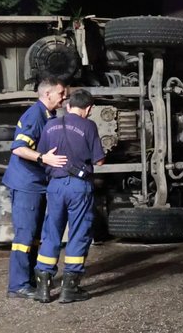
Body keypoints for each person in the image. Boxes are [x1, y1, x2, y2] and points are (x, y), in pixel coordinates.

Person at [32, 89, 106, 303]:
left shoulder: (50, 125)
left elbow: (43, 156)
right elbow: (99, 161)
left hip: (55, 186)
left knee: (51, 232)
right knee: (78, 232)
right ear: (89, 108)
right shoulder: (89, 126)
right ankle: (70, 289)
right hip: (78, 187)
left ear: (68, 105)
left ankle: (43, 289)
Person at [2, 77, 68, 299]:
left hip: (37, 184)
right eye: (61, 93)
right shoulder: (34, 115)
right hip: (26, 184)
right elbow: (18, 148)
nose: (64, 97)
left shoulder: (49, 115)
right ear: (47, 94)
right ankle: (18, 285)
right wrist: (43, 158)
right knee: (25, 235)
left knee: (35, 236)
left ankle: (28, 280)